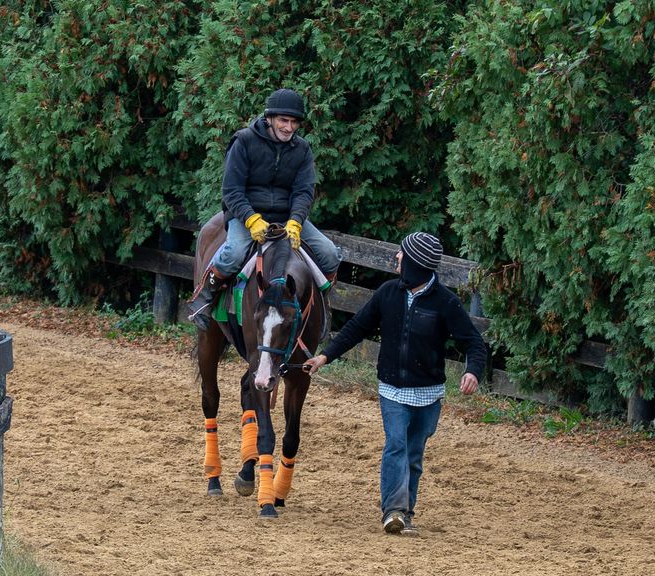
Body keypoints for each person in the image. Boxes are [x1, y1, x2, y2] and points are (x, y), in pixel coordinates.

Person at [305, 232, 487, 535]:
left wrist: (473, 372)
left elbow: (474, 343)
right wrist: (325, 357)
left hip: (428, 394)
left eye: (402, 253)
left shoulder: (446, 302)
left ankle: (407, 512)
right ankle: (393, 511)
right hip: (392, 390)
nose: (397, 257)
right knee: (396, 445)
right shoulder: (388, 293)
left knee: (413, 455)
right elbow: (357, 328)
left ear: (415, 262)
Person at [189, 88, 341, 329]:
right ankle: (204, 297)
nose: (289, 128)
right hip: (246, 215)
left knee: (330, 253)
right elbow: (232, 190)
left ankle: (322, 306)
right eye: (283, 120)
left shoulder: (302, 149)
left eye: (294, 122)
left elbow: (303, 192)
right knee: (233, 253)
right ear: (269, 118)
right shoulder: (243, 141)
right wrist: (251, 219)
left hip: (286, 218)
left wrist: (296, 221)